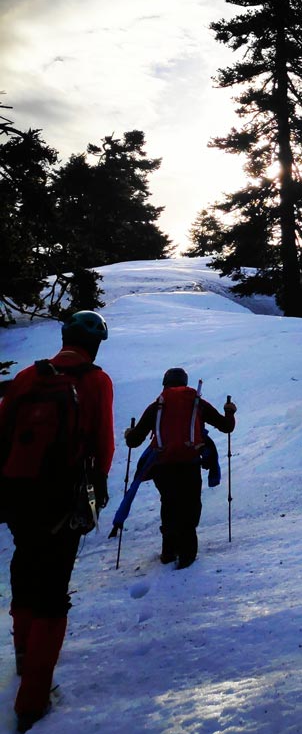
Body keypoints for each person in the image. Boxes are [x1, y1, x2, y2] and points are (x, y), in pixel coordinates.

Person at [0, 310, 114, 732]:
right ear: (95, 345)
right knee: (52, 590)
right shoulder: (96, 380)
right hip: (62, 499)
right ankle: (32, 701)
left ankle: (23, 656)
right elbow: (103, 444)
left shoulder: (28, 376)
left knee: (24, 568)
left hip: (17, 495)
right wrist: (95, 491)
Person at [124, 368, 235, 570]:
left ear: (165, 384)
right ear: (185, 383)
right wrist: (230, 411)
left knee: (169, 503)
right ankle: (187, 554)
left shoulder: (157, 406)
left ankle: (169, 552)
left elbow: (134, 441)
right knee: (189, 506)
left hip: (163, 466)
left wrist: (129, 433)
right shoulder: (196, 403)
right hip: (189, 464)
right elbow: (226, 426)